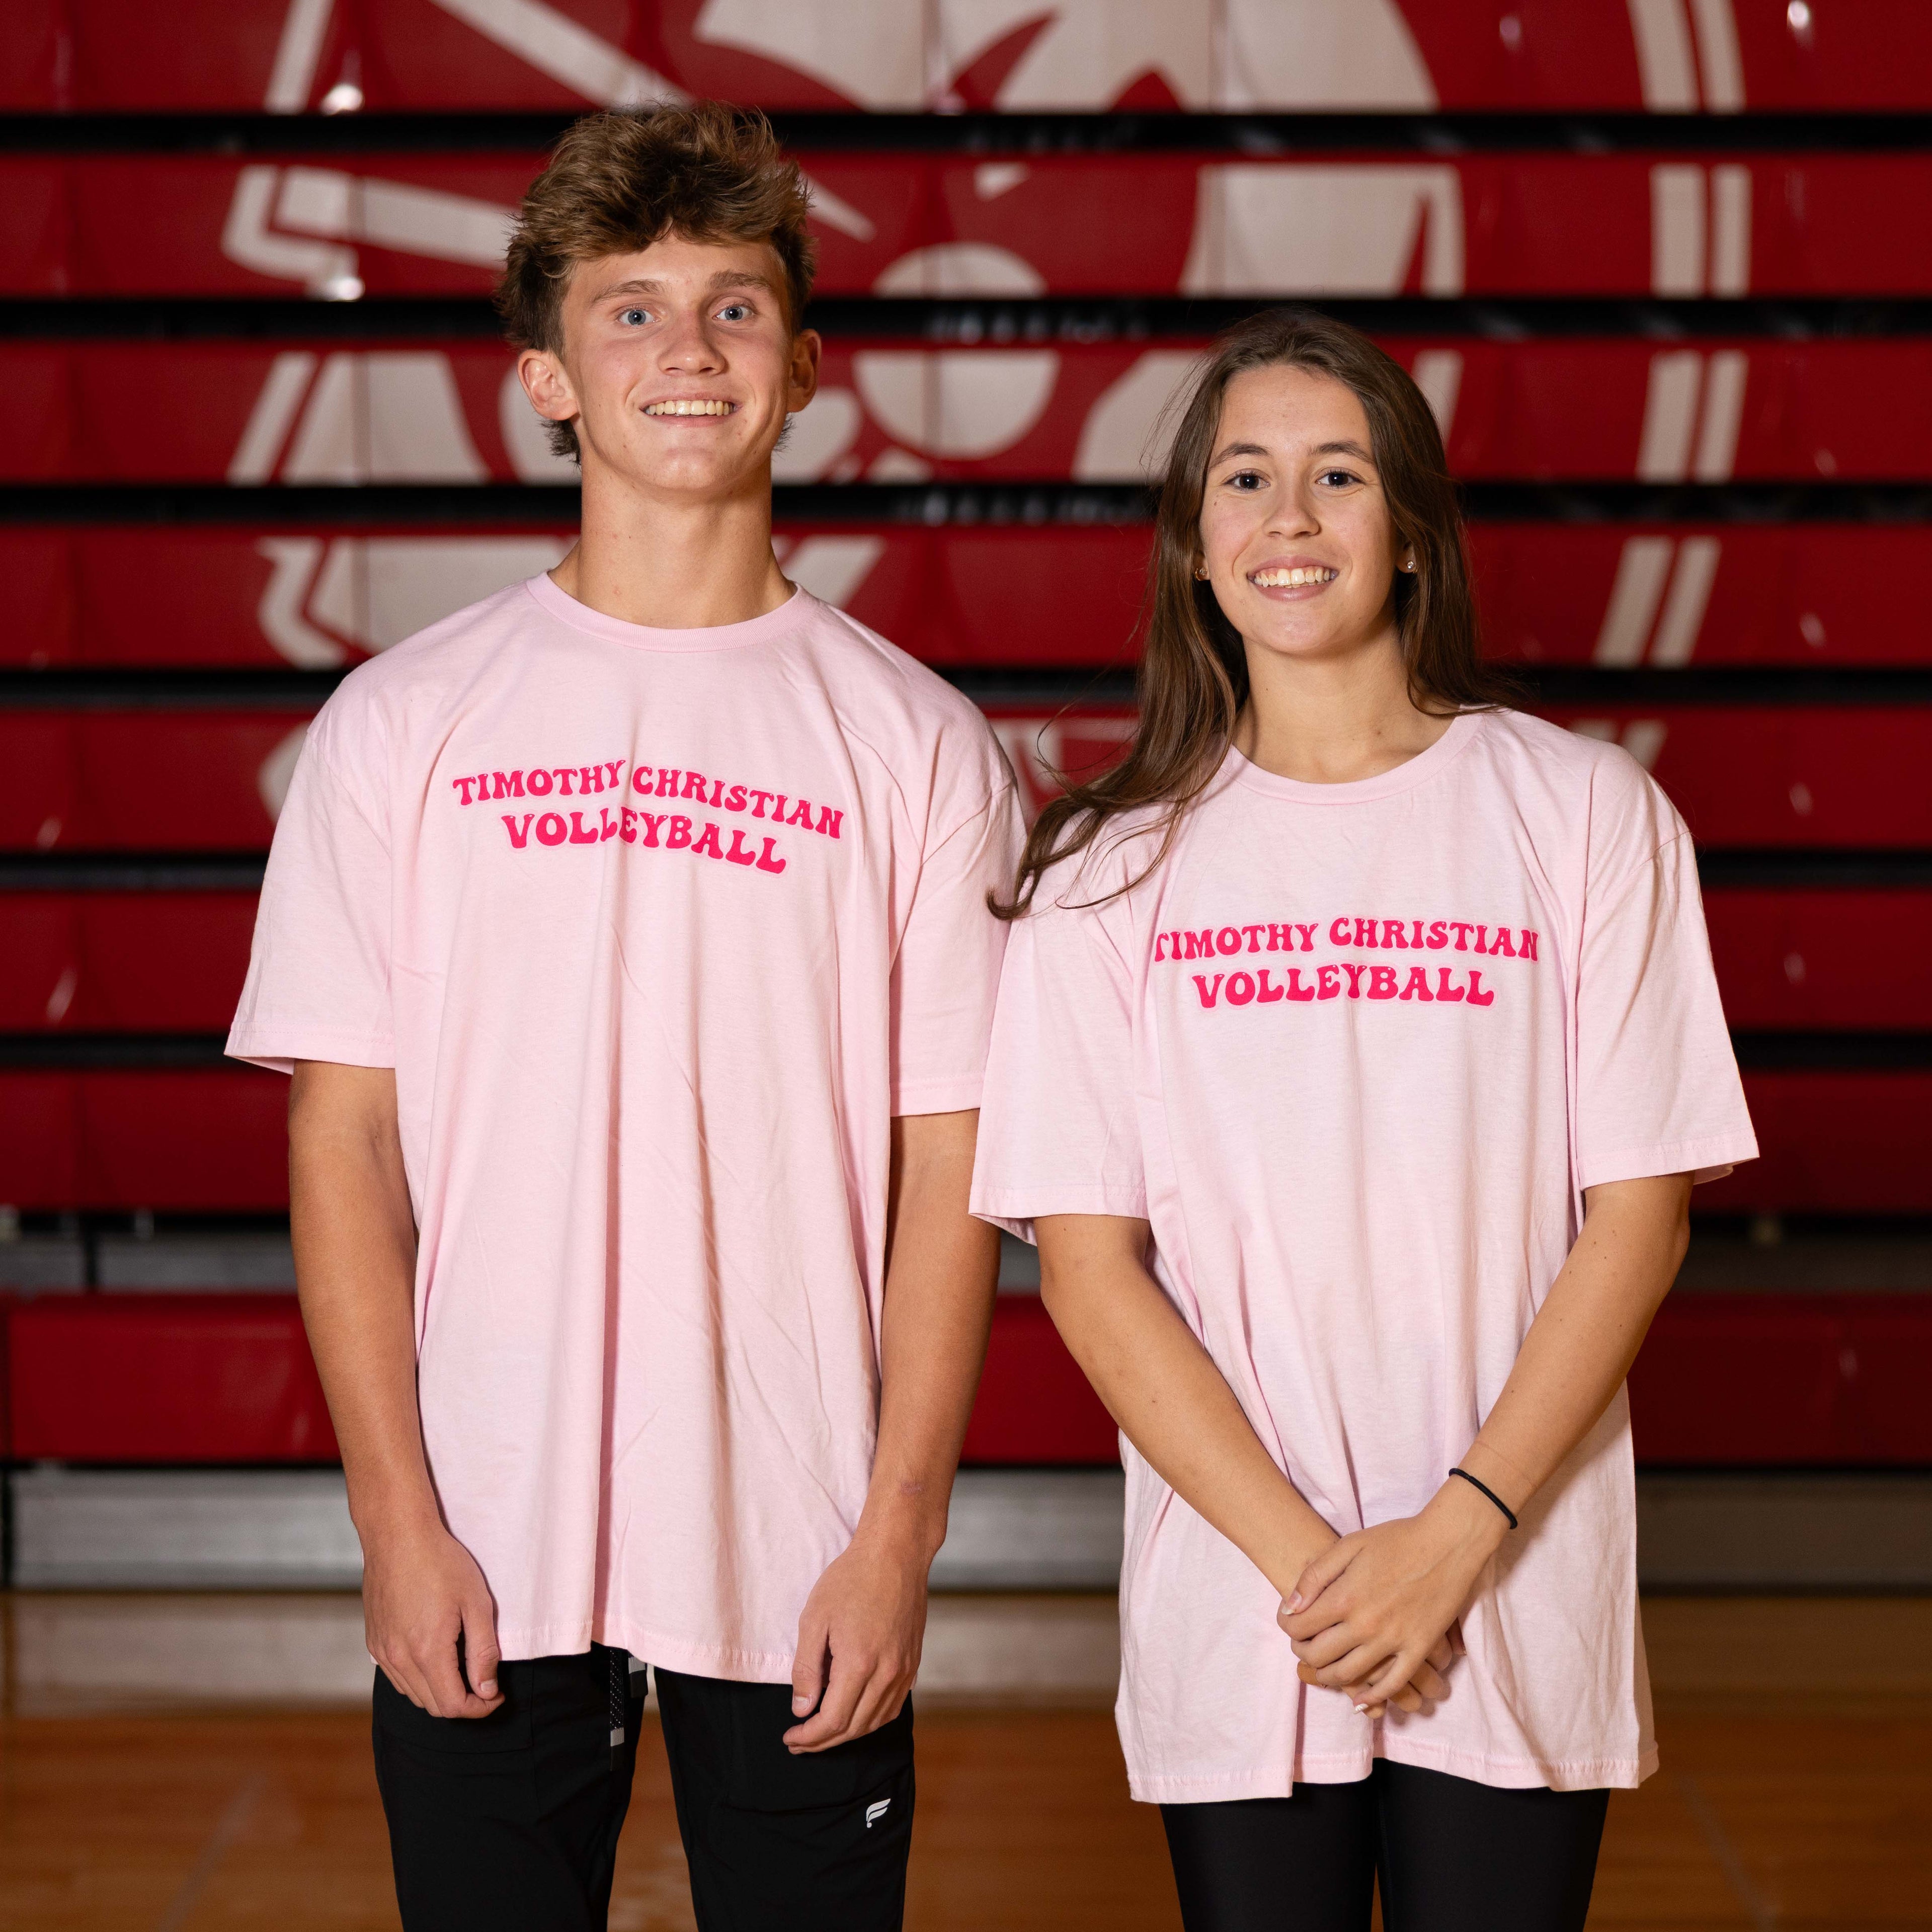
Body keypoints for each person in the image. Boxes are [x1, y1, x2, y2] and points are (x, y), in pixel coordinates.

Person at [227, 101, 1021, 1932]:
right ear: (547, 379)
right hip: (484, 1535)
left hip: (802, 1543)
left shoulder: (920, 744)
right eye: (633, 311)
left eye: (737, 308)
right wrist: (394, 1522)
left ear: (803, 369)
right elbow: (343, 1140)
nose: (689, 350)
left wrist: (898, 1538)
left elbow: (955, 1169)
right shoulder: (401, 725)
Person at [968, 309, 1757, 1932]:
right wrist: (1319, 1572)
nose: (1291, 515)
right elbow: (1092, 1271)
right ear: (1195, 545)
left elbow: (1640, 1217)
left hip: (1512, 1577)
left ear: (1409, 534)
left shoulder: (1585, 813)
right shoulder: (1103, 870)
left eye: (1340, 474)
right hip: (1250, 1601)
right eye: (1246, 477)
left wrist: (1456, 1535)